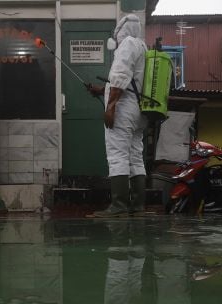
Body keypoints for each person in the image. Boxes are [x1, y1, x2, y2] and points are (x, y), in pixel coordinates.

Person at [88, 14, 148, 218]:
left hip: (124, 109)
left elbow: (121, 75)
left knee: (117, 155)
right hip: (139, 111)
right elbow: (133, 81)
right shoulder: (142, 46)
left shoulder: (127, 44)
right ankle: (138, 206)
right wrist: (101, 90)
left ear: (121, 31)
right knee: (135, 156)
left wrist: (111, 105)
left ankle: (119, 205)